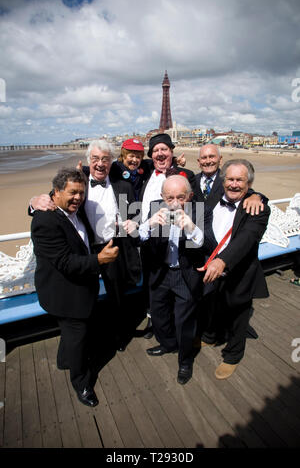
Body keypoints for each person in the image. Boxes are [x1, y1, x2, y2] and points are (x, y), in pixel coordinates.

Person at [30, 139, 141, 351]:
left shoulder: (123, 185)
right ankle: (90, 336)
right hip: (85, 250)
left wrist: (133, 223)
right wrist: (34, 201)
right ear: (89, 160)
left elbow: (134, 215)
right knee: (85, 295)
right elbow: (53, 197)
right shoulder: (78, 183)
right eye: (96, 159)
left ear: (111, 162)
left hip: (114, 247)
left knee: (117, 296)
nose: (100, 164)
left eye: (105, 159)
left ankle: (118, 336)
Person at [31, 168, 119, 407]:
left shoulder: (72, 210)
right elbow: (64, 262)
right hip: (64, 293)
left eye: (81, 193)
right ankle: (81, 383)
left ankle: (63, 360)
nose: (78, 198)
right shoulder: (45, 220)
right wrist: (99, 260)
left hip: (79, 287)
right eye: (72, 193)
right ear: (56, 192)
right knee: (78, 336)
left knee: (71, 333)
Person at [197, 159, 270, 379]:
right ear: (223, 180)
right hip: (212, 268)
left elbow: (247, 239)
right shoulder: (214, 202)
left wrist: (223, 261)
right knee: (213, 305)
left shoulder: (257, 207)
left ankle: (233, 355)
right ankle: (210, 336)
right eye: (230, 179)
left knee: (239, 316)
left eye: (240, 180)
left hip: (239, 272)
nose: (234, 184)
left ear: (249, 184)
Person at [139, 175, 212, 385]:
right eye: (169, 197)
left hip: (184, 273)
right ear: (162, 196)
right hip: (160, 272)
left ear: (189, 196)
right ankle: (168, 344)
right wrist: (149, 224)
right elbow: (138, 238)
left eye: (181, 197)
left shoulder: (200, 210)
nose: (175, 203)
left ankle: (185, 360)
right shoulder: (155, 207)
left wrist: (190, 227)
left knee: (184, 322)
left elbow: (207, 244)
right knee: (159, 315)